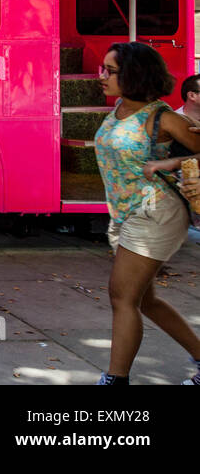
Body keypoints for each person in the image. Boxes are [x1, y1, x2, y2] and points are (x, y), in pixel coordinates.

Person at [90, 43, 200, 385]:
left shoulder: (163, 117)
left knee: (121, 296)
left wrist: (172, 161)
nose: (101, 76)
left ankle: (115, 379)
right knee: (145, 300)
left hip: (156, 212)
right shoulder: (120, 107)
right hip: (126, 215)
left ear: (134, 75)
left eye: (109, 70)